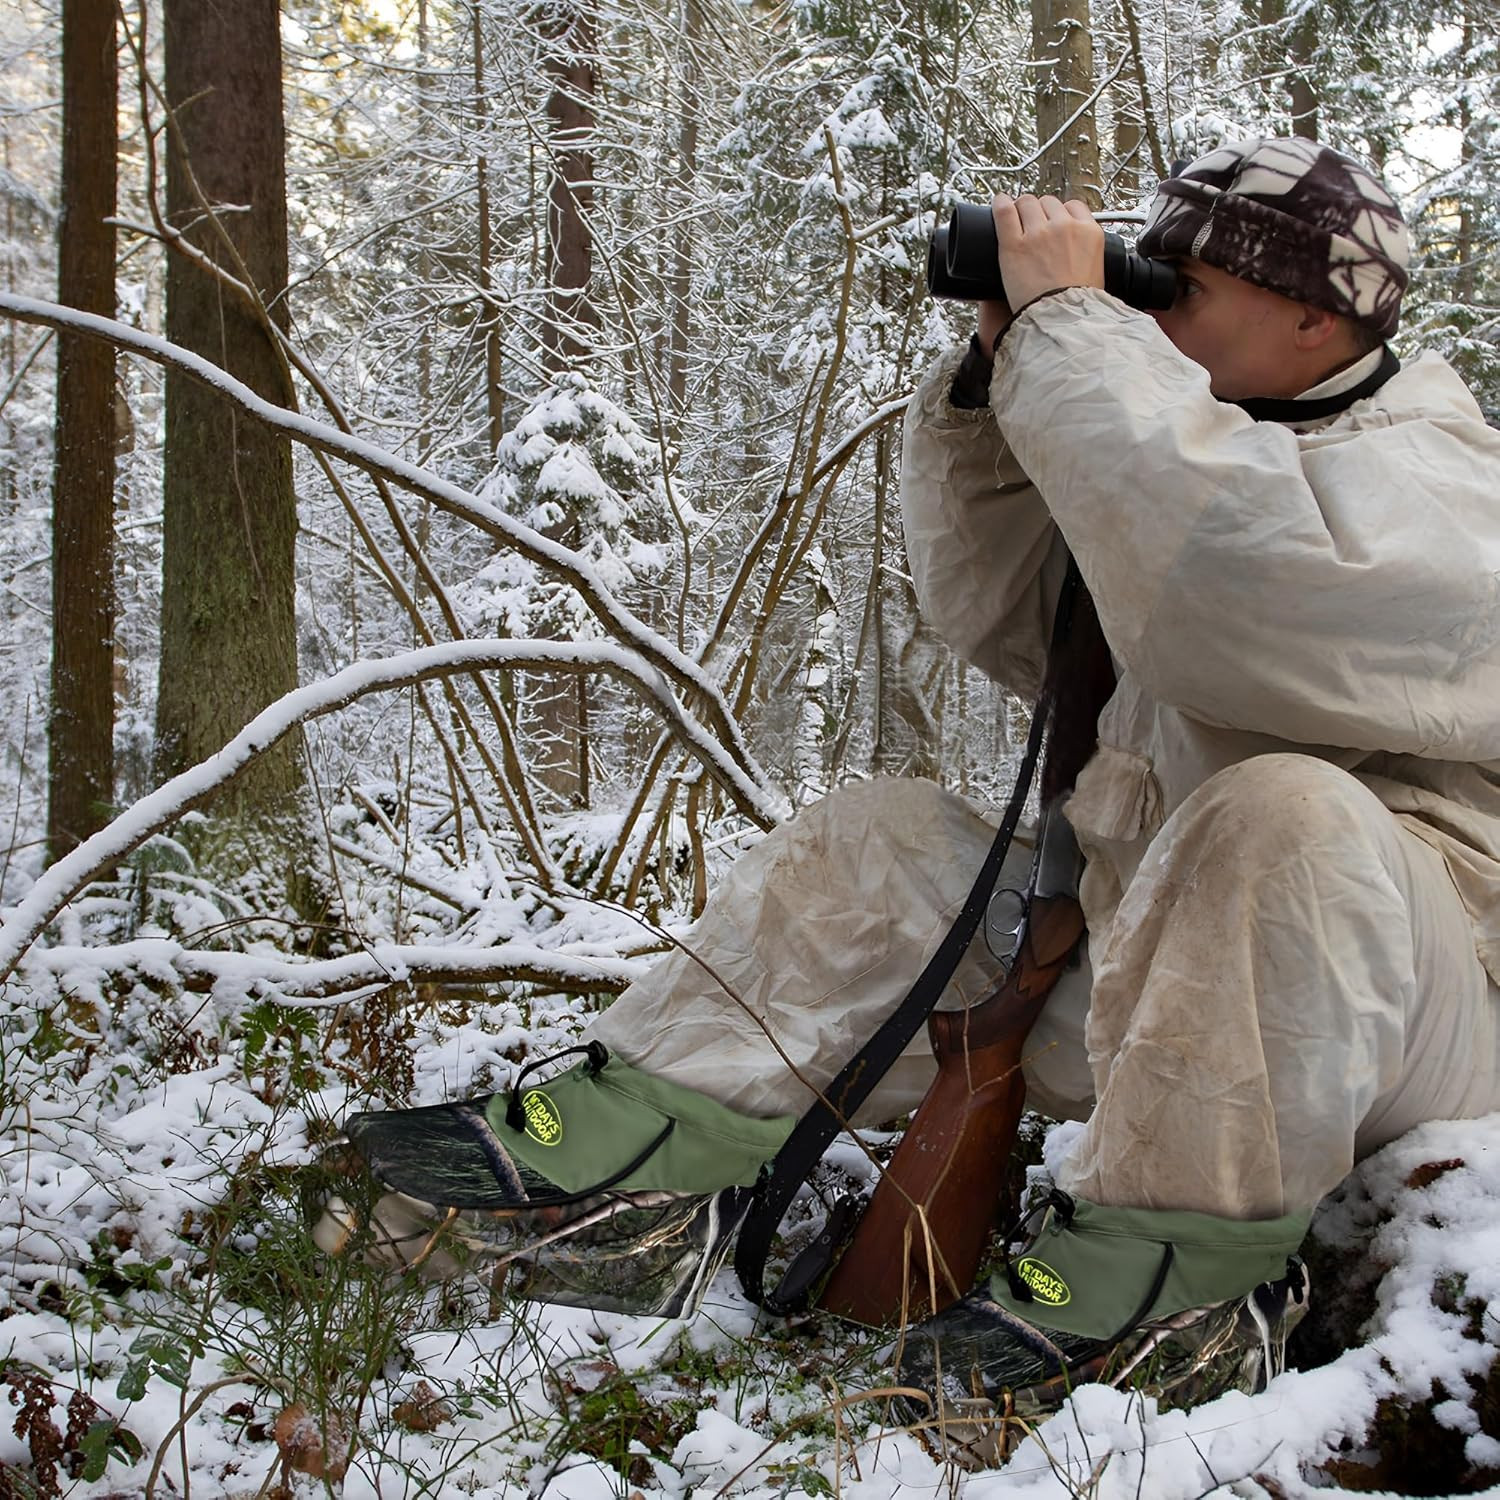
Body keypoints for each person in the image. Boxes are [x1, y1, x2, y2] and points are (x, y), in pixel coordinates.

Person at [322, 137, 1500, 1434]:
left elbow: (1226, 585)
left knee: (1279, 818)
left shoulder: (1442, 479)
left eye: (1188, 283)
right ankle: (625, 1173)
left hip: (1404, 1011)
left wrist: (1075, 341)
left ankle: (1162, 1304)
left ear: (1314, 314)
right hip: (1167, 968)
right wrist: (1006, 381)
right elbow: (1005, 622)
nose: (1152, 300)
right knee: (871, 843)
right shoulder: (1211, 442)